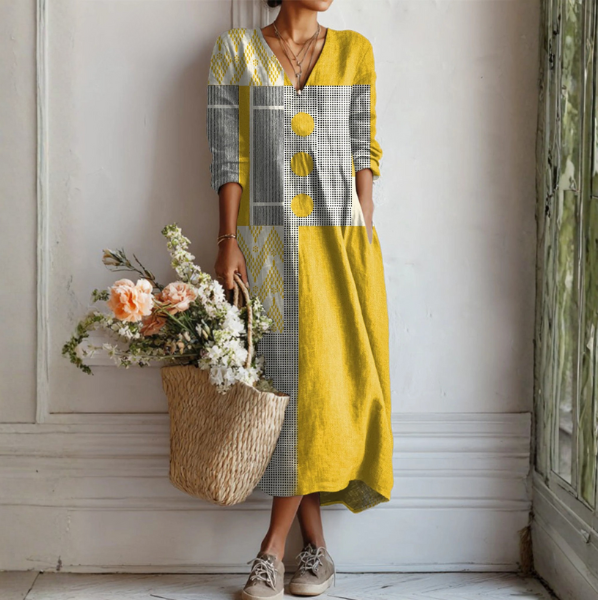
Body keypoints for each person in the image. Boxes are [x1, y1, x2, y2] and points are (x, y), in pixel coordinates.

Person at [206, 0, 393, 597]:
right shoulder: (235, 50)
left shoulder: (355, 50)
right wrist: (227, 240)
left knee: (323, 387)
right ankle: (307, 549)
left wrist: (363, 221)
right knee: (290, 387)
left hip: (340, 243)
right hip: (266, 246)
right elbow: (229, 153)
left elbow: (364, 146)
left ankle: (275, 549)